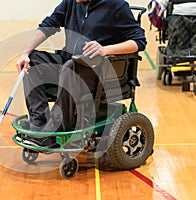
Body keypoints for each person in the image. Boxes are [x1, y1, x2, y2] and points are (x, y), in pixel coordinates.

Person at [16, 0, 147, 147]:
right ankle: (38, 124)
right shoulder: (71, 2)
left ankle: (53, 133)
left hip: (98, 72)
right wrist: (25, 53)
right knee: (33, 61)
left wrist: (105, 50)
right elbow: (48, 25)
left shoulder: (116, 5)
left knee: (71, 66)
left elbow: (139, 41)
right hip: (69, 63)